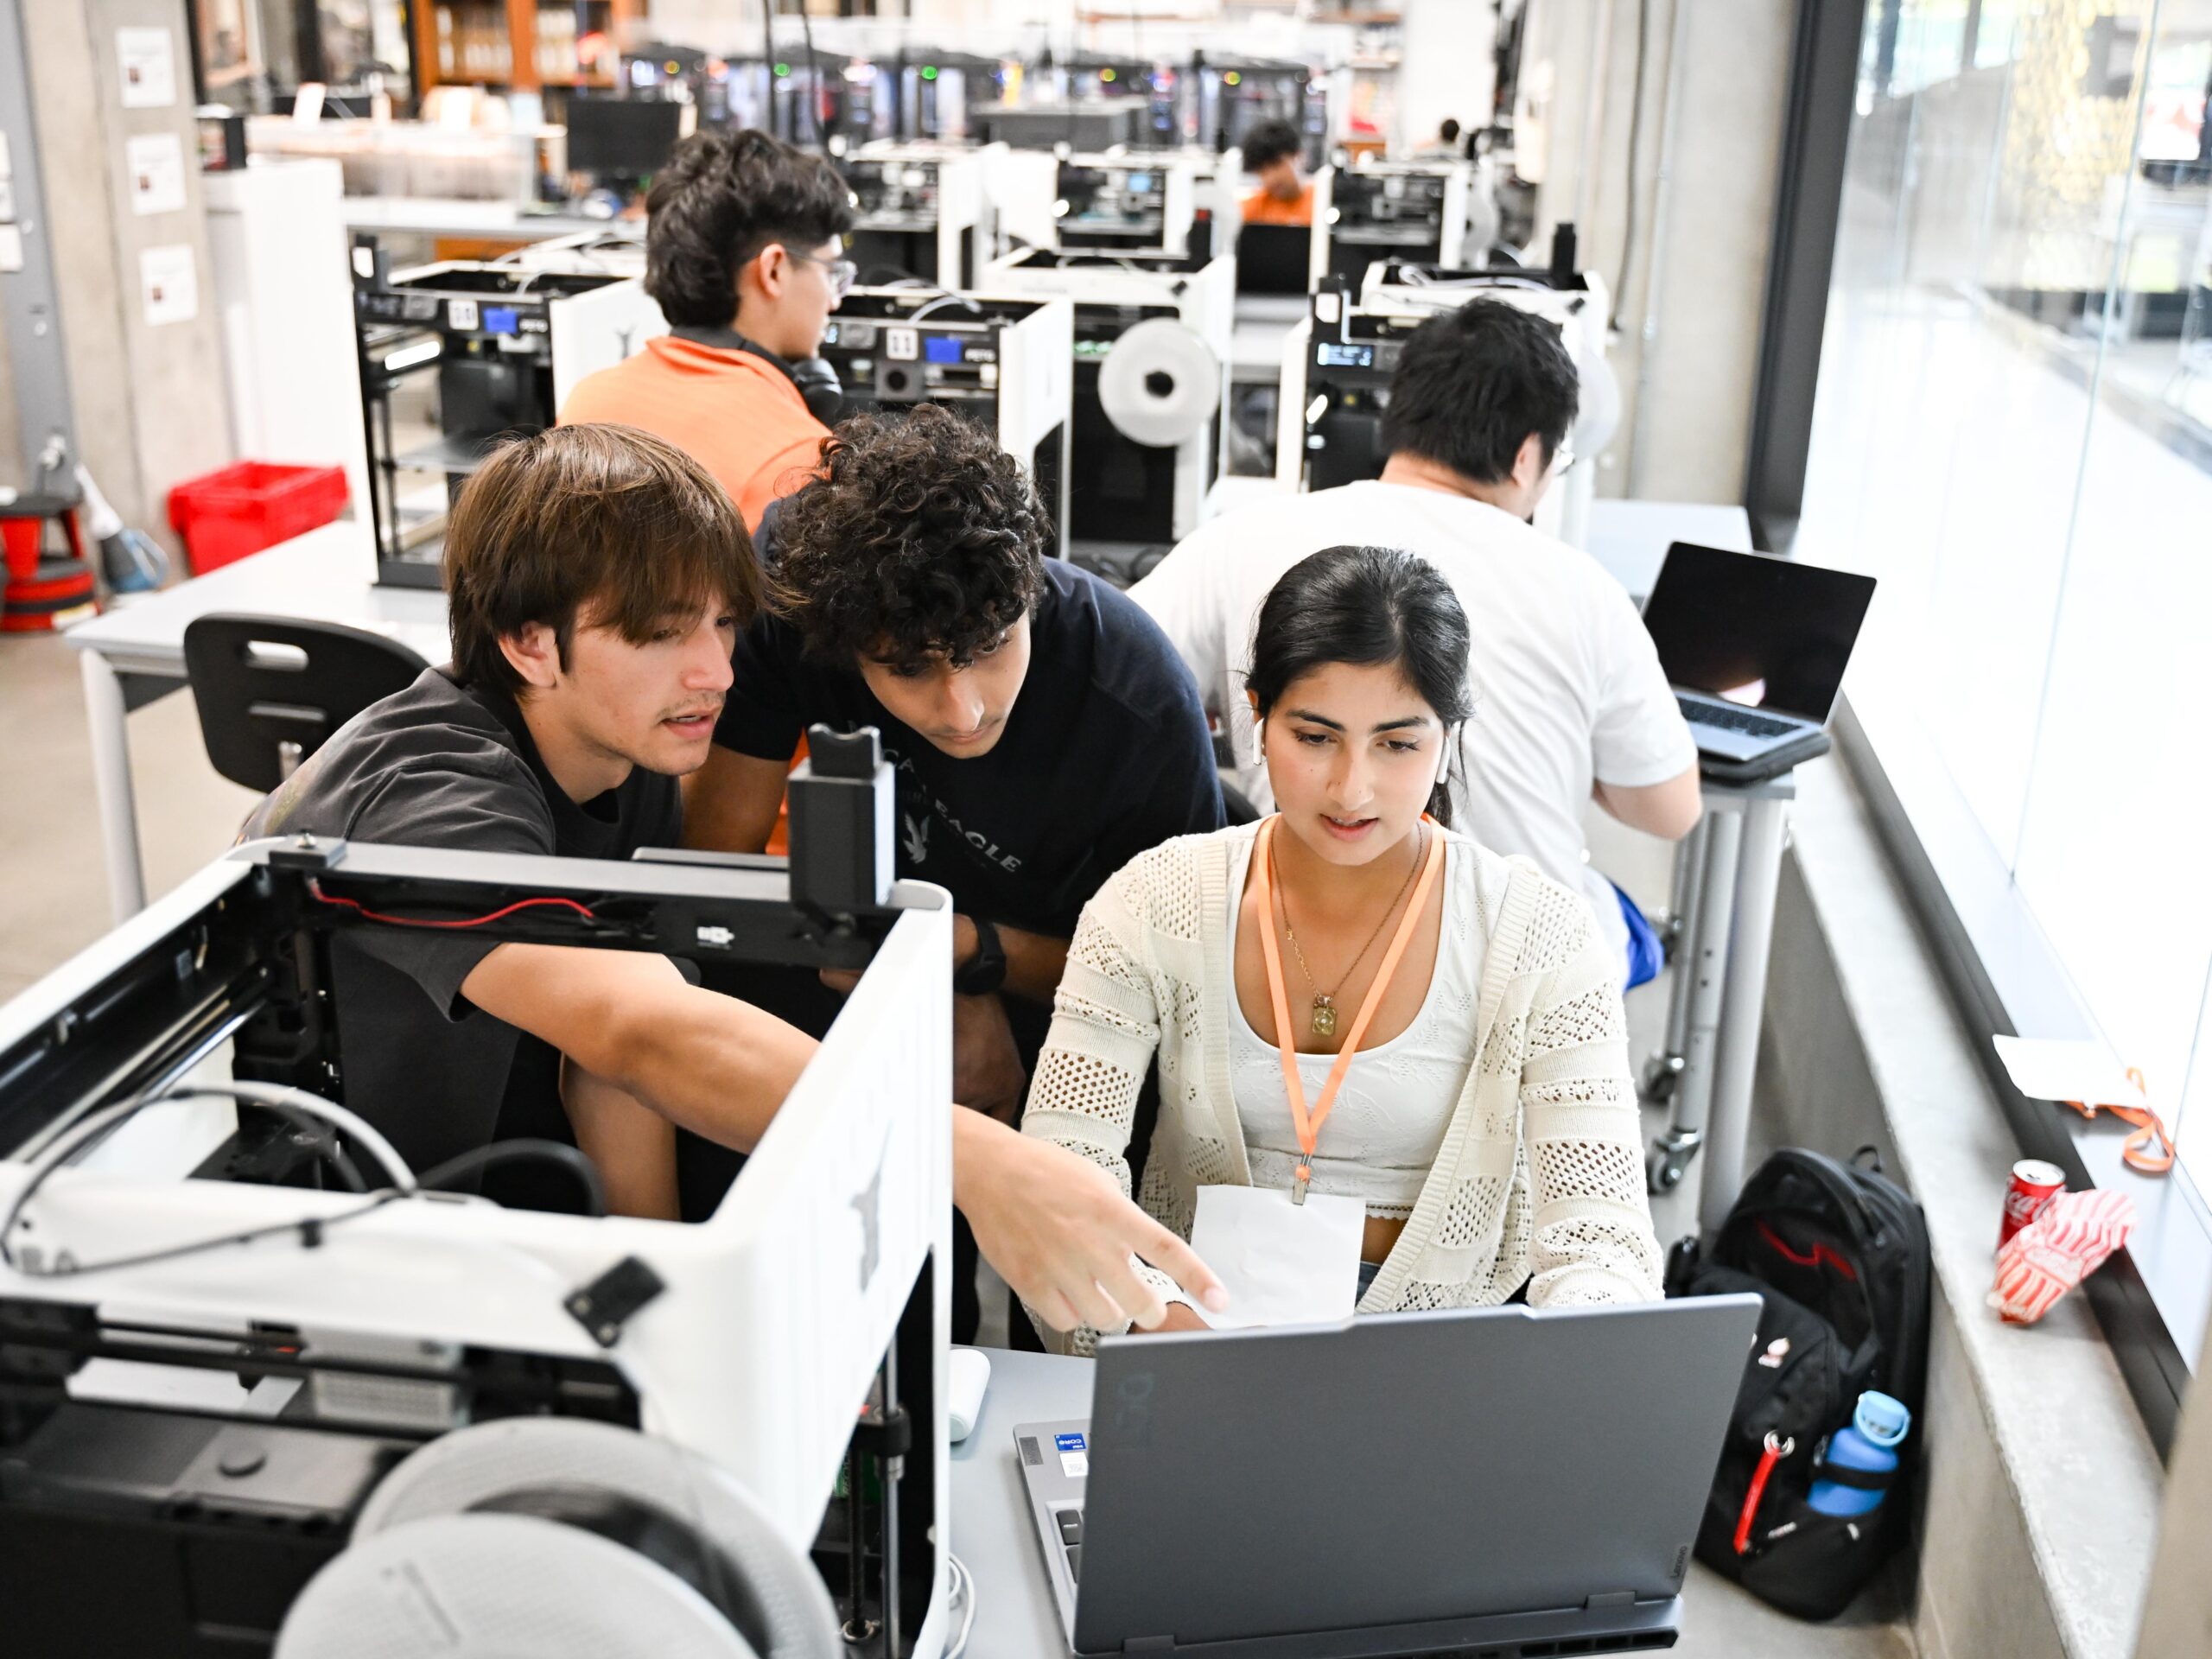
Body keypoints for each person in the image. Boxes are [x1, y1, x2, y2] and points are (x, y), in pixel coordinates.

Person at [238, 422, 1224, 1335]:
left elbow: (622, 1048)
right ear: (530, 642)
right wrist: (975, 1159)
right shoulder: (428, 793)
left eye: (721, 627)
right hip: (382, 1265)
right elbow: (636, 1030)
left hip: (542, 1200)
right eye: (665, 633)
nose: (717, 672)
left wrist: (671, 1307)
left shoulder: (624, 763)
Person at [1020, 545, 1665, 1351]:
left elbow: (1603, 1238)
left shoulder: (1543, 936)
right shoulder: (1153, 900)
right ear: (1256, 715)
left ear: (1448, 736)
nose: (1352, 788)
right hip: (1182, 1333)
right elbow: (1063, 1170)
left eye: (1398, 744)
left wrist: (1567, 1354)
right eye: (1316, 736)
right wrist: (1173, 1341)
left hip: (1437, 1365)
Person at [683, 404, 1227, 1335]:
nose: (963, 708)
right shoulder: (803, 601)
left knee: (1062, 1321)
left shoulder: (1132, 702)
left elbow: (1175, 987)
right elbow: (714, 861)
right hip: (887, 946)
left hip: (1086, 1007)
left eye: (987, 652)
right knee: (867, 1297)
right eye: (906, 672)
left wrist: (967, 959)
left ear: (1029, 596)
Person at [1130, 296, 1700, 983]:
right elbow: (1669, 809)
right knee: (1620, 925)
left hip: (1296, 965)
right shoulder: (1584, 589)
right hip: (1523, 984)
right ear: (1528, 458)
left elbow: (1116, 690)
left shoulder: (1239, 539)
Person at [558, 129, 855, 529]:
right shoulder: (797, 461)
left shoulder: (586, 405)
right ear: (773, 270)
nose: (834, 300)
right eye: (832, 271)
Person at [1239, 118, 1314, 227]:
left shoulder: (1321, 203)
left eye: (1275, 165)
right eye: (1262, 171)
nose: (1270, 178)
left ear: (1299, 156)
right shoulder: (1250, 210)